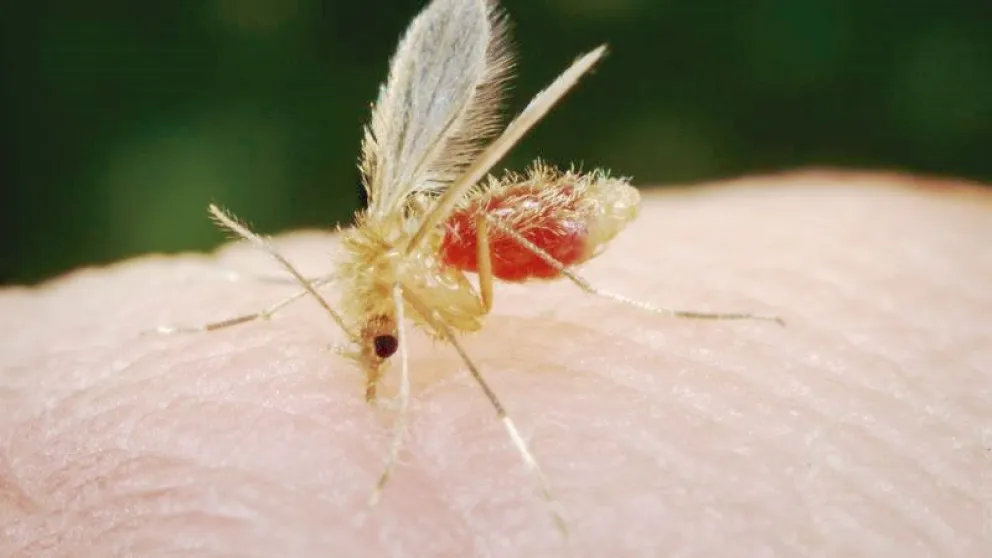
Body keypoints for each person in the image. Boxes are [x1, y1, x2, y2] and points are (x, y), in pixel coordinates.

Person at [2, 171, 988, 556]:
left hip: (526, 228)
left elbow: (448, 315)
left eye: (380, 347)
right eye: (381, 349)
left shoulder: (416, 288)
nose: (379, 352)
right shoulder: (383, 288)